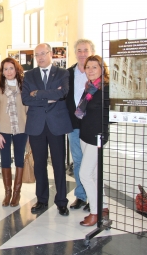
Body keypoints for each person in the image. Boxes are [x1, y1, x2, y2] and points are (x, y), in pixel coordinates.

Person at [22, 43, 73, 216]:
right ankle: (42, 200)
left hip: (56, 125)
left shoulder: (62, 73)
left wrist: (37, 93)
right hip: (36, 126)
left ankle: (61, 201)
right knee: (40, 166)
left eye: (43, 53)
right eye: (37, 55)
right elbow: (25, 99)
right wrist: (50, 96)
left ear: (51, 54)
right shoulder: (29, 75)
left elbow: (63, 93)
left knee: (59, 164)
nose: (40, 57)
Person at [75, 55, 110, 226]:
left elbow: (109, 115)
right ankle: (103, 207)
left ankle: (95, 213)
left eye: (94, 67)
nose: (90, 70)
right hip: (85, 135)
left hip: (97, 137)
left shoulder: (106, 89)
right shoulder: (89, 88)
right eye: (88, 67)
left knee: (84, 174)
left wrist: (103, 134)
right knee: (95, 174)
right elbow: (82, 112)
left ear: (102, 69)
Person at [0, 57, 27, 207]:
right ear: (2, 72)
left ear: (16, 69)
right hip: (3, 130)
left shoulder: (24, 86)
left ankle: (17, 193)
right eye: (5, 69)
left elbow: (28, 110)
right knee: (5, 160)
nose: (9, 71)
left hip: (21, 129)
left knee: (19, 159)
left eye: (11, 68)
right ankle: (8, 192)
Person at [66, 39, 96, 211]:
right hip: (74, 124)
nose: (82, 53)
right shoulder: (68, 73)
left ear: (91, 51)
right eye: (79, 50)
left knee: (91, 163)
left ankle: (94, 197)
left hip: (92, 125)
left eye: (86, 50)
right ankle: (81, 196)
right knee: (78, 160)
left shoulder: (97, 72)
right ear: (75, 52)